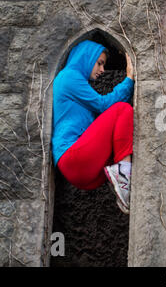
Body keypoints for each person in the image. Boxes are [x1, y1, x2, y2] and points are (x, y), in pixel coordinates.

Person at [52, 40, 134, 214]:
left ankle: (123, 177)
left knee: (118, 134)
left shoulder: (75, 82)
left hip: (85, 175)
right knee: (122, 110)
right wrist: (128, 79)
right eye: (99, 63)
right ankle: (124, 174)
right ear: (86, 57)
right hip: (72, 157)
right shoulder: (69, 76)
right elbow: (104, 105)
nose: (102, 70)